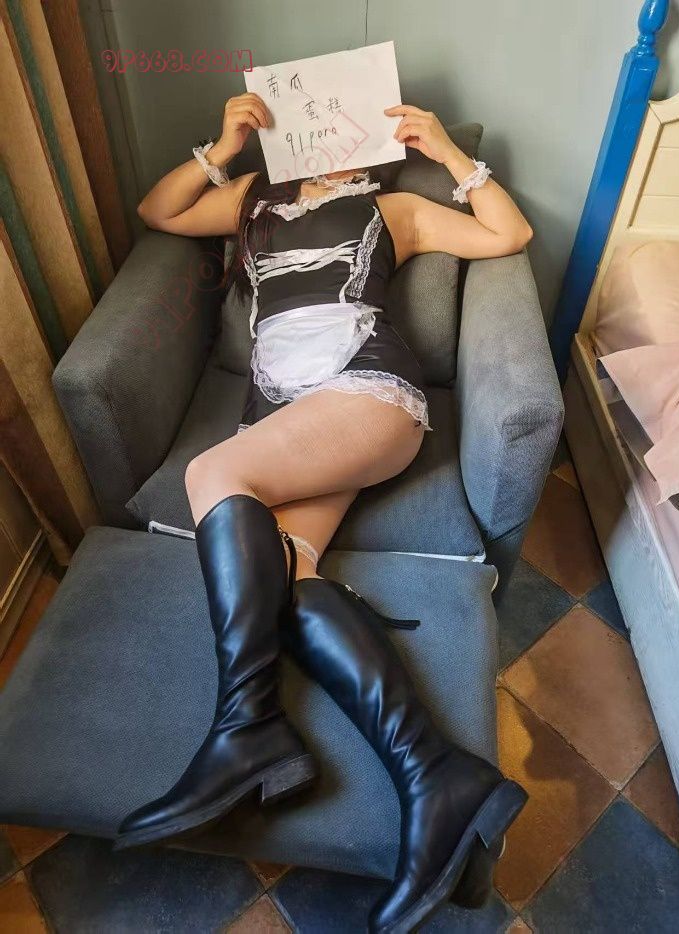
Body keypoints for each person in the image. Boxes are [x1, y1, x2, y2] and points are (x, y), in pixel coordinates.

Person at [113, 91, 533, 932]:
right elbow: (158, 212)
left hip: (365, 394)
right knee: (291, 575)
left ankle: (248, 728)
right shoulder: (252, 203)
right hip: (287, 418)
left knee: (212, 474)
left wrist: (447, 153)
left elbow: (507, 234)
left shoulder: (393, 208)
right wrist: (223, 145)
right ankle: (436, 775)